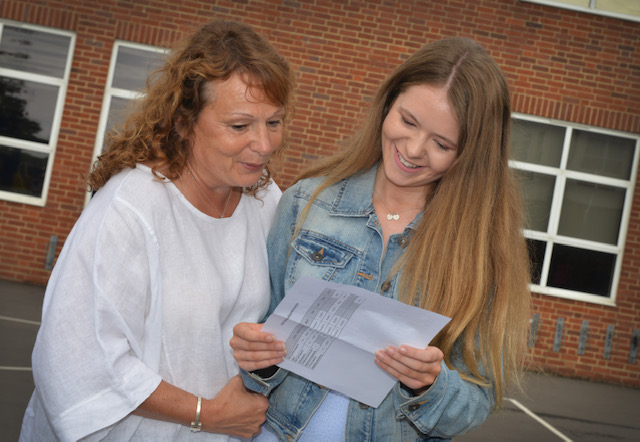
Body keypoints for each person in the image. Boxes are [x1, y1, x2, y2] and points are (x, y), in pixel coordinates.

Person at [230, 36, 531, 441]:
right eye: (407, 121)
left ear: (469, 155)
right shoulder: (306, 202)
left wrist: (430, 383)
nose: (413, 149)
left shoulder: (479, 253)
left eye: (442, 144)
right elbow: (260, 338)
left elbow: (475, 401)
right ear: (388, 104)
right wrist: (259, 360)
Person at [20, 20, 294, 441]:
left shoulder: (265, 199)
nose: (264, 144)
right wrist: (209, 413)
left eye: (273, 122)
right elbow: (78, 359)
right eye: (240, 126)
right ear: (184, 121)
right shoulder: (131, 208)